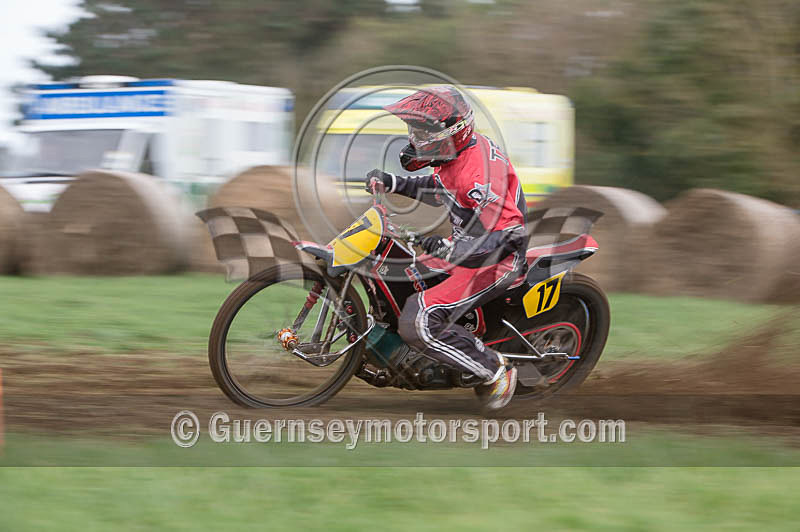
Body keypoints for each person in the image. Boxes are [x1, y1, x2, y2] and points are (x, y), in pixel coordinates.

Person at [364, 86, 542, 410]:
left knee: (418, 319)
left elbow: (511, 235)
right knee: (400, 277)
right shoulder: (455, 155)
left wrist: (450, 248)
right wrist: (394, 183)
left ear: (450, 131)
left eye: (422, 131)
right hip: (465, 251)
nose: (415, 138)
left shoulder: (479, 176)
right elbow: (442, 186)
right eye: (413, 129)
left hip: (495, 262)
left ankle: (496, 369)